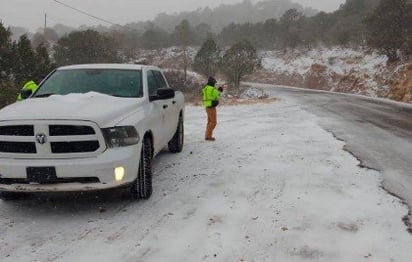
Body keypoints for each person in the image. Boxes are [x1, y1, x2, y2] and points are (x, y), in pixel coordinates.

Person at [202, 76, 223, 141]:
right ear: (212, 82)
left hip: (207, 106)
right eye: (214, 83)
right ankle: (208, 136)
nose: (215, 84)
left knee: (209, 122)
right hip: (212, 106)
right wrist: (220, 90)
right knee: (214, 122)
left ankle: (207, 135)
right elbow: (218, 95)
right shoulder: (212, 89)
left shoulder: (205, 88)